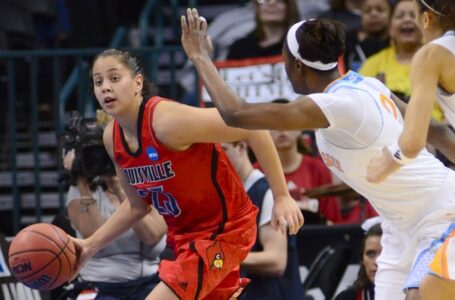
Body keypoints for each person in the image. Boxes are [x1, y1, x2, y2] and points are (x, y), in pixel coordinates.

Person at [181, 9, 455, 299]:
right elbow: (437, 131)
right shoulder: (368, 85)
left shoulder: (337, 104)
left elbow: (237, 114)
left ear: (296, 65)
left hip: (439, 212)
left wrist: (200, 57)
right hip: (399, 226)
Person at [70, 46, 303, 300]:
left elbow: (253, 128)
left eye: (114, 78)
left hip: (225, 231)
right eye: (98, 81)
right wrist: (89, 245)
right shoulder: (111, 138)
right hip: (185, 239)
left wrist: (281, 196)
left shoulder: (166, 121)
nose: (105, 87)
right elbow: (137, 206)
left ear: (138, 83)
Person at [366, 0, 455, 298]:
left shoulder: (432, 54)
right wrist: (387, 97)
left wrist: (389, 162)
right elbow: (444, 136)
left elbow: (413, 142)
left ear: (427, 19)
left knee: (429, 290)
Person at [61, 112, 167, 300]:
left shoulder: (150, 183)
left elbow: (152, 236)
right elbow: (95, 238)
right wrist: (81, 182)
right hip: (98, 286)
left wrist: (120, 187)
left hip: (147, 283)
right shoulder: (81, 189)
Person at [222, 141, 304, 299]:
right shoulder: (227, 194)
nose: (218, 158)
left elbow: (276, 260)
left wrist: (221, 258)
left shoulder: (267, 193)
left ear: (241, 147)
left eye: (223, 150)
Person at [359, 0, 422, 101]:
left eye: (413, 15)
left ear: (425, 23)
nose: (407, 19)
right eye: (399, 16)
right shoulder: (372, 63)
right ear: (390, 28)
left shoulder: (438, 61)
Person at [226, 0, 300, 60]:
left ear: (290, 8)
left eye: (279, 1)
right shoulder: (239, 48)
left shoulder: (299, 45)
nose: (271, 4)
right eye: (265, 0)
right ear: (258, 8)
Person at [334, 223, 382, 300]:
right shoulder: (347, 298)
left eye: (384, 254)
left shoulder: (407, 295)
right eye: (371, 254)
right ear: (362, 259)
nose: (377, 261)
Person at [344, 0, 392, 71]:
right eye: (367, 10)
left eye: (380, 10)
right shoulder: (349, 41)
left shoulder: (398, 43)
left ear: (391, 15)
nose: (373, 14)